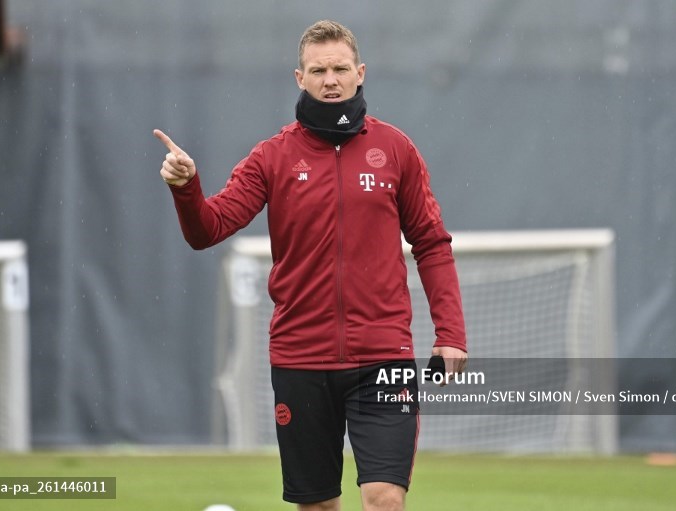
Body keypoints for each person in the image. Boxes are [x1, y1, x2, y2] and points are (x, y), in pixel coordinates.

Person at [154, 20, 467, 511]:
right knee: (317, 505)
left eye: (341, 68)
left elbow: (431, 242)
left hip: (382, 356)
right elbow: (207, 230)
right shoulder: (271, 158)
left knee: (385, 497)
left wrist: (450, 333)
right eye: (318, 70)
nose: (331, 79)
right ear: (299, 78)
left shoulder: (396, 150)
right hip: (301, 357)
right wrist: (186, 186)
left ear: (360, 73)